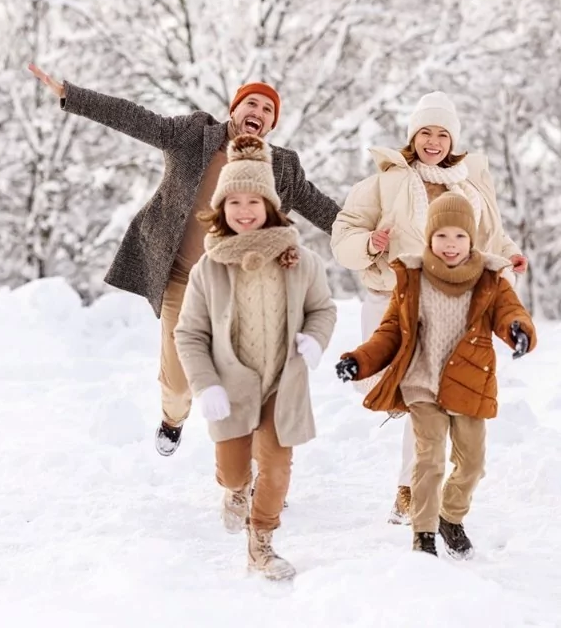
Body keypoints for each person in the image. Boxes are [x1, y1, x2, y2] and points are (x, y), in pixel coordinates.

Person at [28, 64, 340, 456]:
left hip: (244, 288)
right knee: (177, 384)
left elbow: (321, 208)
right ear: (235, 109)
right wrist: (71, 95)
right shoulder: (194, 135)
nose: (257, 113)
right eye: (252, 104)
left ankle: (257, 465)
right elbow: (135, 118)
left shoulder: (281, 166)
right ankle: (173, 418)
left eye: (267, 110)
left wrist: (367, 233)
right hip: (183, 279)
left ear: (272, 124)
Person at [330, 90, 528, 524]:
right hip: (390, 297)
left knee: (429, 396)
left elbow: (490, 234)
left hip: (450, 302)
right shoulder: (386, 181)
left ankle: (409, 489)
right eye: (425, 132)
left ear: (453, 139)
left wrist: (509, 257)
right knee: (398, 389)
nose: (433, 142)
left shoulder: (470, 184)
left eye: (442, 133)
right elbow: (343, 233)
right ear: (413, 136)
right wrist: (369, 243)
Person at [335, 192, 536, 558]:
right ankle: (424, 534)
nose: (450, 244)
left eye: (459, 236)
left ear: (471, 239)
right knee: (428, 459)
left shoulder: (490, 279)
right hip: (422, 383)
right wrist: (359, 361)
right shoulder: (412, 279)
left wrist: (519, 331)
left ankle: (451, 518)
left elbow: (511, 313)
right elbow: (389, 333)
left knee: (472, 462)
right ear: (429, 238)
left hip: (471, 383)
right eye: (442, 236)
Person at [173, 135, 337, 580]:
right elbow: (189, 333)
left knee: (278, 468)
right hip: (230, 384)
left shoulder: (300, 260)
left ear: (270, 205)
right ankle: (233, 491)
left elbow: (323, 308)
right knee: (232, 470)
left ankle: (261, 543)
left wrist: (316, 339)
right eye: (234, 202)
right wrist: (205, 384)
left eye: (254, 201)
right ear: (221, 209)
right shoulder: (208, 268)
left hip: (282, 384)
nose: (244, 211)